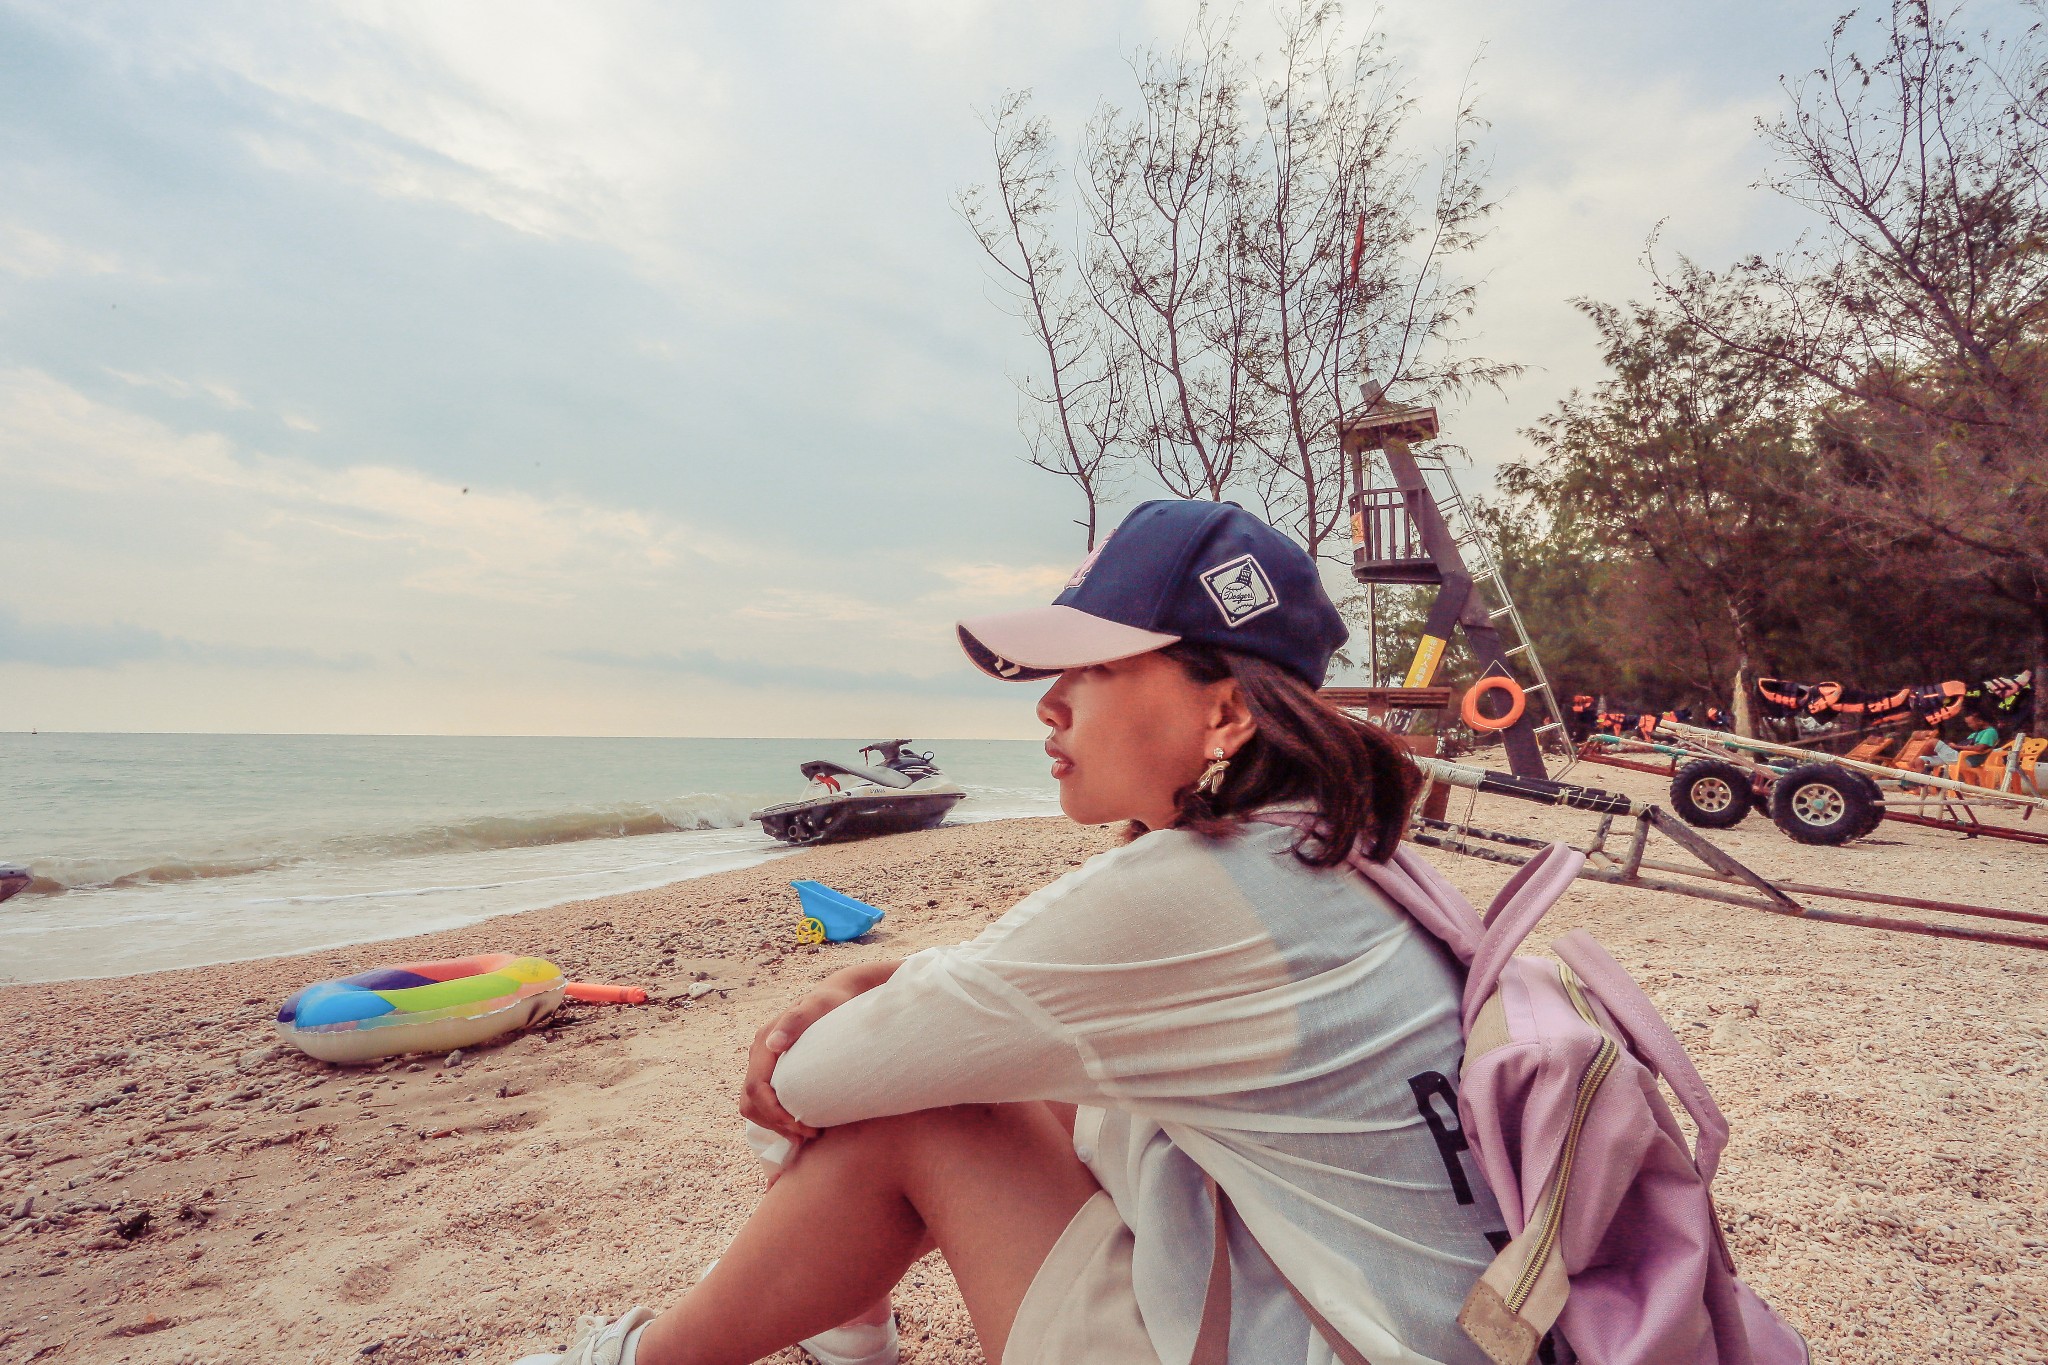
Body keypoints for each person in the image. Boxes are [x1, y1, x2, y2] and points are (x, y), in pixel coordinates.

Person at [517, 500, 1507, 1365]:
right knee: (989, 1077)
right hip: (1400, 1323)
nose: (1047, 699)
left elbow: (804, 1085)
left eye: (1095, 665)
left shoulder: (1200, 890)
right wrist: (902, 986)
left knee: (924, 1105)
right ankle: (834, 1335)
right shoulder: (1332, 856)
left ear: (1226, 710)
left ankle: (661, 1358)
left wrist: (869, 997)